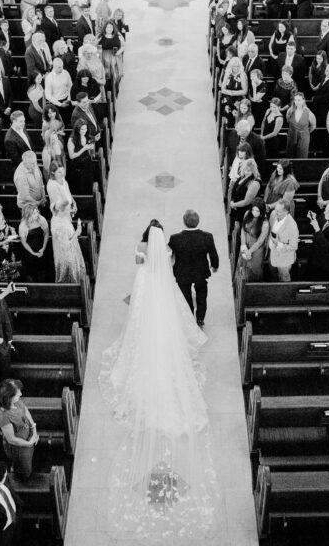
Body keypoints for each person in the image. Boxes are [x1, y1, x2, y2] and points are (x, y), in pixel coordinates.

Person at [99, 222, 219, 539]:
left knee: (140, 323)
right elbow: (168, 269)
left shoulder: (142, 250)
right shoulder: (166, 253)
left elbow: (140, 265)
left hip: (143, 288)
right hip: (159, 291)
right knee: (164, 325)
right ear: (161, 237)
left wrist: (144, 262)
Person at [168, 209, 219, 328]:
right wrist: (214, 266)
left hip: (182, 272)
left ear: (184, 222)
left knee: (186, 296)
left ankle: (189, 317)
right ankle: (200, 318)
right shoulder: (207, 236)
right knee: (202, 295)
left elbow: (169, 253)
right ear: (198, 221)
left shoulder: (175, 238)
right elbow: (213, 253)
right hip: (200, 272)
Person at [0, 379, 39, 482]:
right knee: (26, 467)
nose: (21, 394)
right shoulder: (2, 414)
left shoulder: (16, 401)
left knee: (25, 461)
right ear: (8, 397)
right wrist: (29, 443)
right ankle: (24, 479)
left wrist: (33, 428)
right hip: (19, 448)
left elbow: (25, 410)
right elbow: (12, 439)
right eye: (18, 394)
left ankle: (17, 466)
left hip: (27, 438)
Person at [51, 194, 85, 282]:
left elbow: (68, 220)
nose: (70, 208)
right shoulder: (59, 226)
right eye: (69, 207)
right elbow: (66, 246)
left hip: (67, 254)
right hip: (67, 259)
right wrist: (77, 232)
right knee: (71, 281)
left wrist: (72, 212)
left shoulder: (58, 216)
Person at [236, 201, 269, 282]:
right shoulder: (247, 213)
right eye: (253, 210)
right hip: (246, 244)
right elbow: (243, 230)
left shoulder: (265, 223)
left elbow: (260, 241)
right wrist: (243, 245)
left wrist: (249, 251)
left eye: (257, 211)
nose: (254, 213)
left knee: (254, 269)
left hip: (256, 248)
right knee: (242, 266)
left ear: (262, 211)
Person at [18, 203, 51, 282]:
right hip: (30, 250)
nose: (37, 214)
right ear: (29, 215)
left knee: (44, 270)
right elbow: (24, 242)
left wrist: (43, 248)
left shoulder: (41, 219)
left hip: (42, 246)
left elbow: (46, 233)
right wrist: (33, 253)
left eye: (37, 211)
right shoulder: (23, 225)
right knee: (31, 272)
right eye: (34, 213)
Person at [268, 199, 299, 281]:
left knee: (284, 278)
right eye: (275, 209)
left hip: (284, 259)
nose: (276, 212)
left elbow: (293, 246)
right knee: (272, 275)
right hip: (272, 253)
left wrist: (278, 244)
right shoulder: (273, 214)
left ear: (286, 212)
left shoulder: (292, 226)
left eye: (278, 211)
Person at [67, 118, 95, 196]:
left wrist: (90, 147)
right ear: (77, 129)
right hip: (77, 166)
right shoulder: (72, 140)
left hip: (87, 163)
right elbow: (71, 156)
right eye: (82, 129)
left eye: (85, 128)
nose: (84, 131)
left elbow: (89, 145)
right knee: (80, 185)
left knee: (88, 182)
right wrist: (84, 149)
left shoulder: (86, 135)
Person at [285, 92, 316, 158]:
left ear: (303, 100)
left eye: (299, 100)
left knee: (302, 156)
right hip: (292, 136)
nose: (297, 102)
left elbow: (313, 126)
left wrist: (305, 132)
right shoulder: (290, 111)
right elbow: (288, 121)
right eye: (295, 100)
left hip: (303, 137)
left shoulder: (308, 112)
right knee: (290, 156)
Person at [311, 61, 329, 126]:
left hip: (325, 108)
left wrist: (315, 98)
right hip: (320, 105)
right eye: (326, 71)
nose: (327, 73)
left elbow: (327, 98)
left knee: (322, 124)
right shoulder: (326, 77)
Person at [220, 56, 248, 120]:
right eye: (235, 66)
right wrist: (230, 93)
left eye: (238, 66)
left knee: (238, 106)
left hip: (238, 97)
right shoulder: (227, 73)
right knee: (226, 105)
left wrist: (233, 93)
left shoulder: (242, 74)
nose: (237, 68)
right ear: (231, 66)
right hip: (228, 96)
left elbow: (245, 91)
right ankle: (225, 125)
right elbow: (222, 89)